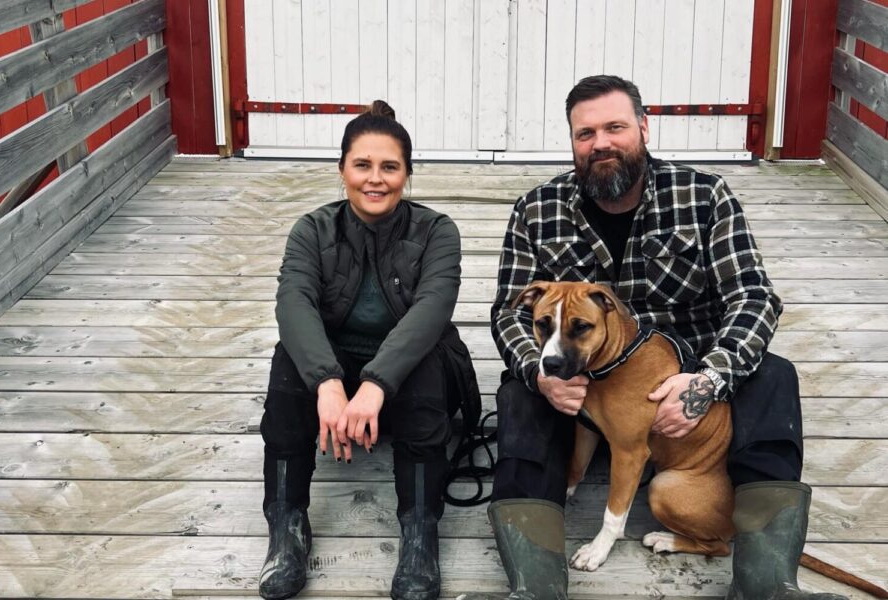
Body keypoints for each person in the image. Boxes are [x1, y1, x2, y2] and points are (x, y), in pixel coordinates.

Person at [458, 76, 846, 600]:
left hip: (691, 367)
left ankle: (767, 579)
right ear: (572, 141)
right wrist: (536, 371)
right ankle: (536, 583)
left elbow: (754, 297)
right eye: (585, 133)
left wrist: (708, 379)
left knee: (774, 374)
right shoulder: (537, 209)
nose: (600, 143)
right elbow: (508, 312)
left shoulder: (703, 195)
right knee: (517, 395)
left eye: (615, 127)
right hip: (588, 383)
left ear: (643, 128)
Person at [258, 100, 479, 600]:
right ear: (342, 170)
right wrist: (327, 382)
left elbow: (432, 310)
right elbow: (293, 303)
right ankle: (287, 526)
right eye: (362, 165)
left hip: (408, 378)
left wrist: (376, 384)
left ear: (407, 174)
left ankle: (419, 533)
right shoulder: (312, 230)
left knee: (425, 361)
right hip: (339, 371)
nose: (375, 179)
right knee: (289, 362)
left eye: (389, 167)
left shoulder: (437, 231)